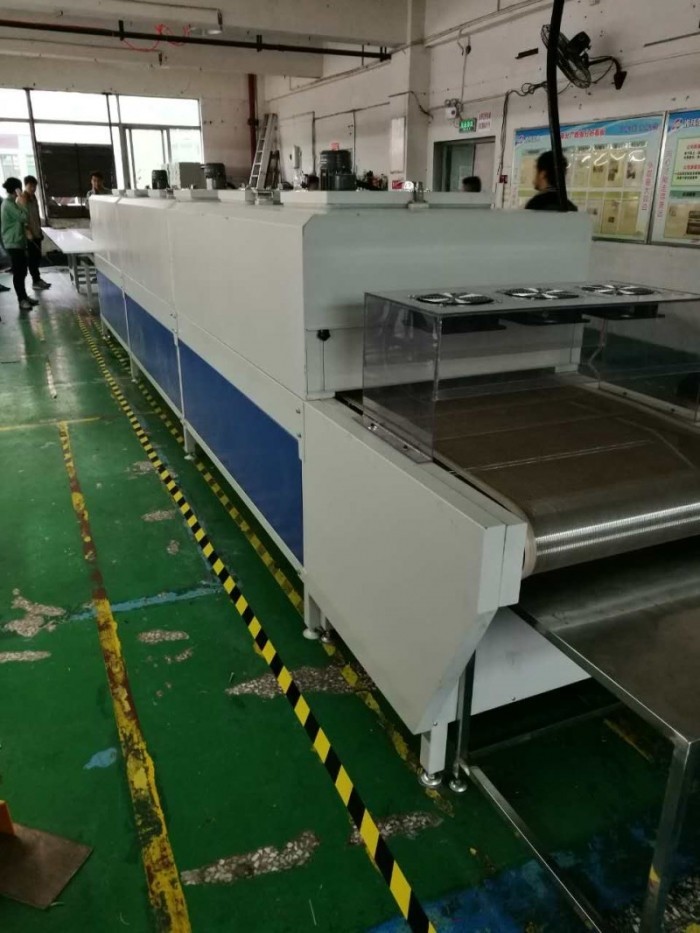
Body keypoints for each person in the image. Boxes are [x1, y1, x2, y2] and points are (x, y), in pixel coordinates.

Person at [0, 177, 38, 310]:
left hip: (18, 241)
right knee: (19, 272)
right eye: (20, 187)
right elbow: (23, 217)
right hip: (13, 242)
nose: (21, 190)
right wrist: (23, 203)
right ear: (16, 189)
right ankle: (21, 300)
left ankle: (24, 297)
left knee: (22, 271)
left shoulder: (12, 202)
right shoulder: (8, 204)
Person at [23, 176, 51, 291]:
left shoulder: (33, 198)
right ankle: (36, 281)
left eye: (34, 186)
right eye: (30, 186)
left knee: (37, 257)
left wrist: (39, 231)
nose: (33, 188)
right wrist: (28, 232)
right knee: (32, 259)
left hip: (36, 233)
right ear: (25, 186)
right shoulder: (23, 199)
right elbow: (22, 219)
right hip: (29, 235)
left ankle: (38, 279)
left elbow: (36, 216)